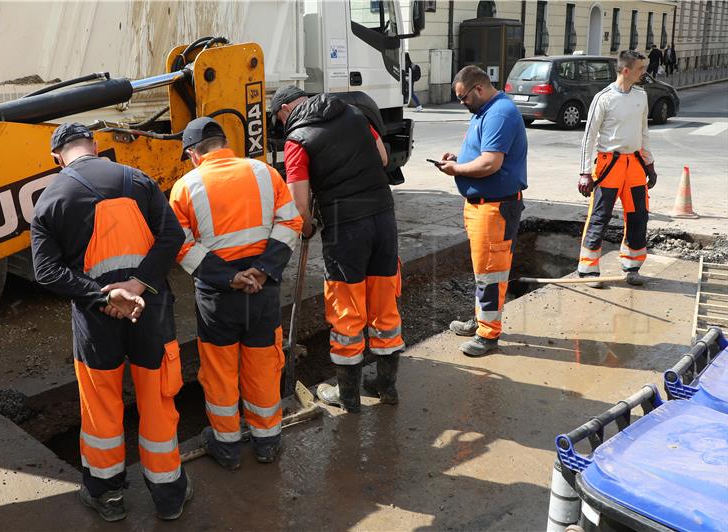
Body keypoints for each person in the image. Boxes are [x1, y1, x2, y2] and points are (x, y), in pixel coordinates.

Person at [31, 123, 190, 522]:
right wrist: (138, 284)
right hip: (150, 310)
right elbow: (172, 237)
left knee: (101, 407)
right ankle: (170, 496)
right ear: (96, 146)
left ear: (57, 158)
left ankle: (108, 497)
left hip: (95, 320)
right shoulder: (138, 179)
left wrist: (104, 296)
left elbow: (46, 272)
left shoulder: (50, 198)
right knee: (156, 400)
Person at [168, 117, 302, 470]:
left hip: (218, 298)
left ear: (195, 154)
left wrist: (230, 278)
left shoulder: (185, 187)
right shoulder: (264, 173)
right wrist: (261, 270)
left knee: (219, 370)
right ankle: (267, 442)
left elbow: (180, 246)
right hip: (263, 291)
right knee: (262, 366)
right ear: (225, 144)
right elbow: (291, 223)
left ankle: (226, 447)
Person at [271, 85, 404, 412]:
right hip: (383, 218)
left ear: (285, 110)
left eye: (278, 120)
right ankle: (386, 386)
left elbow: (299, 204)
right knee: (384, 301)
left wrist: (308, 227)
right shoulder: (353, 113)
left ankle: (348, 397)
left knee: (347, 309)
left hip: (346, 228)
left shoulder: (296, 141)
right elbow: (383, 158)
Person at [436, 66, 527, 357]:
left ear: (479, 89)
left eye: (463, 98)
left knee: (491, 273)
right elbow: (481, 154)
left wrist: (456, 169)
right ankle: (481, 321)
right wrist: (459, 158)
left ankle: (488, 335)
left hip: (495, 207)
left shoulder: (499, 113)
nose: (461, 103)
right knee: (484, 270)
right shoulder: (485, 112)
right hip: (484, 206)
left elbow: (490, 164)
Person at [577, 51, 657, 288]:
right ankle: (588, 270)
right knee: (600, 217)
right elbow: (588, 137)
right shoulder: (603, 98)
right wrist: (584, 172)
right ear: (626, 70)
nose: (644, 72)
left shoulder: (641, 96)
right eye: (640, 68)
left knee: (638, 216)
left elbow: (644, 132)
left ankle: (632, 267)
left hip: (634, 165)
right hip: (608, 166)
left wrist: (649, 164)